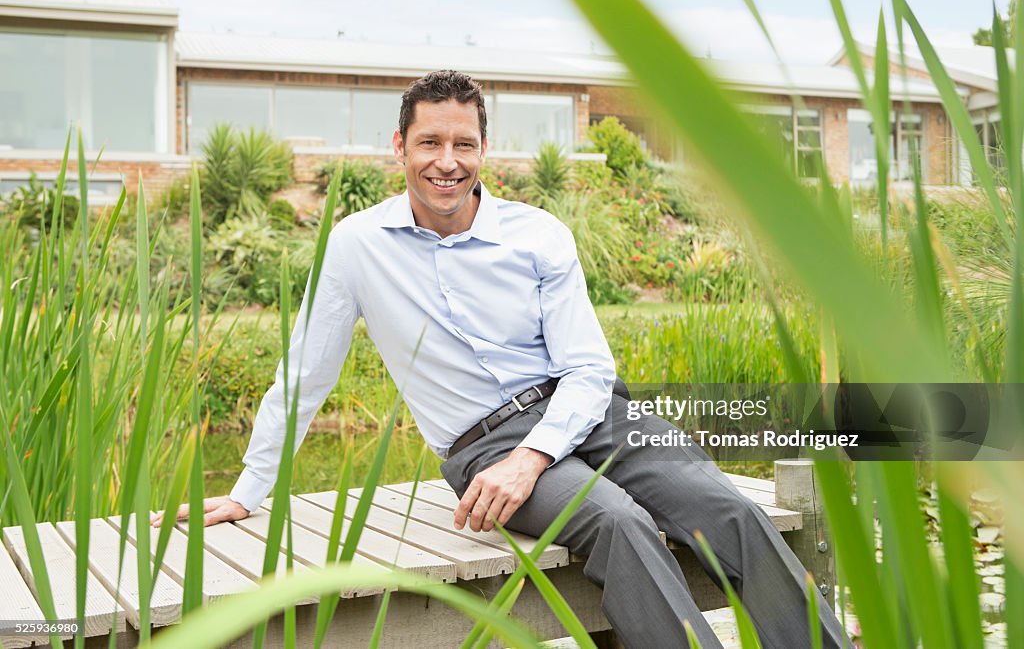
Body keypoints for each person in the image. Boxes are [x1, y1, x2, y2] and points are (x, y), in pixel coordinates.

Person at [155, 70, 850, 648]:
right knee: (619, 523)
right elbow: (305, 373)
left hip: (589, 413)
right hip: (483, 447)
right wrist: (249, 490)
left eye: (463, 143)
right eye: (429, 141)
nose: (446, 161)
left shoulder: (536, 235)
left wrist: (539, 453)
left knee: (726, 507)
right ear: (399, 146)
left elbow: (587, 367)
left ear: (484, 149)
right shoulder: (357, 245)